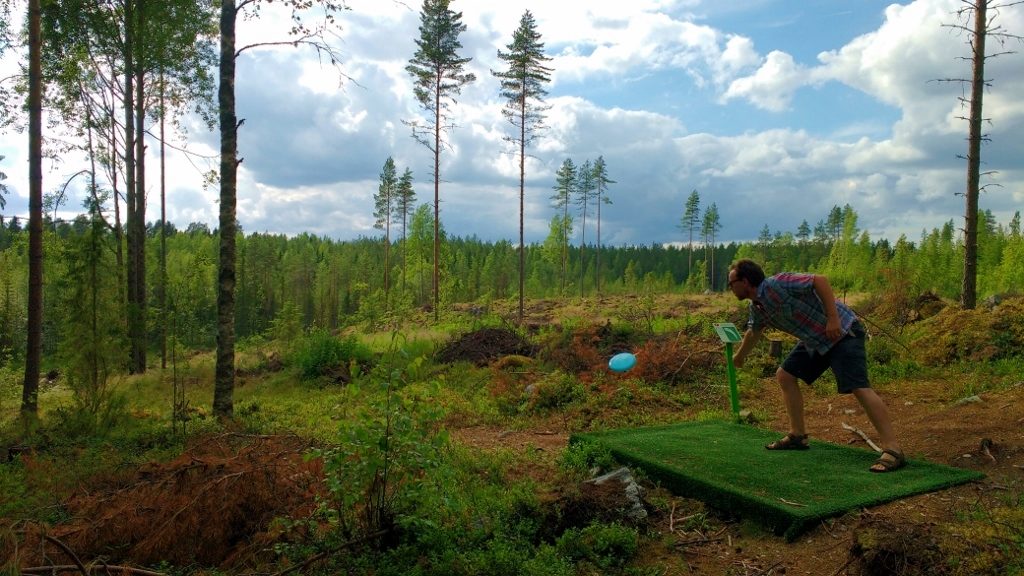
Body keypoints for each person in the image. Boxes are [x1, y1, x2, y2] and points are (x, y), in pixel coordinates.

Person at [727, 259, 905, 473]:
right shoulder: (757, 306)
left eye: (732, 283)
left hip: (842, 332)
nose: (730, 288)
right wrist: (740, 357)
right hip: (816, 340)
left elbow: (819, 281)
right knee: (785, 375)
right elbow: (754, 332)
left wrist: (832, 319)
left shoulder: (778, 283)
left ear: (745, 281)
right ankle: (798, 436)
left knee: (859, 386)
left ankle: (893, 449)